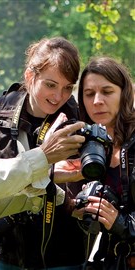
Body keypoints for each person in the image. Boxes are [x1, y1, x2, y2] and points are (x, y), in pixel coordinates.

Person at [0, 21, 86, 270]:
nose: (59, 96)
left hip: (64, 252)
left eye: (68, 88)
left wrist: (54, 191)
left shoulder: (78, 116)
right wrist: (44, 158)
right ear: (29, 76)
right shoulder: (2, 108)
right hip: (8, 252)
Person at [76, 56, 135, 270]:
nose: (97, 101)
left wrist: (121, 222)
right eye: (89, 94)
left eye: (107, 92)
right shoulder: (83, 143)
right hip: (110, 260)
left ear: (124, 94)